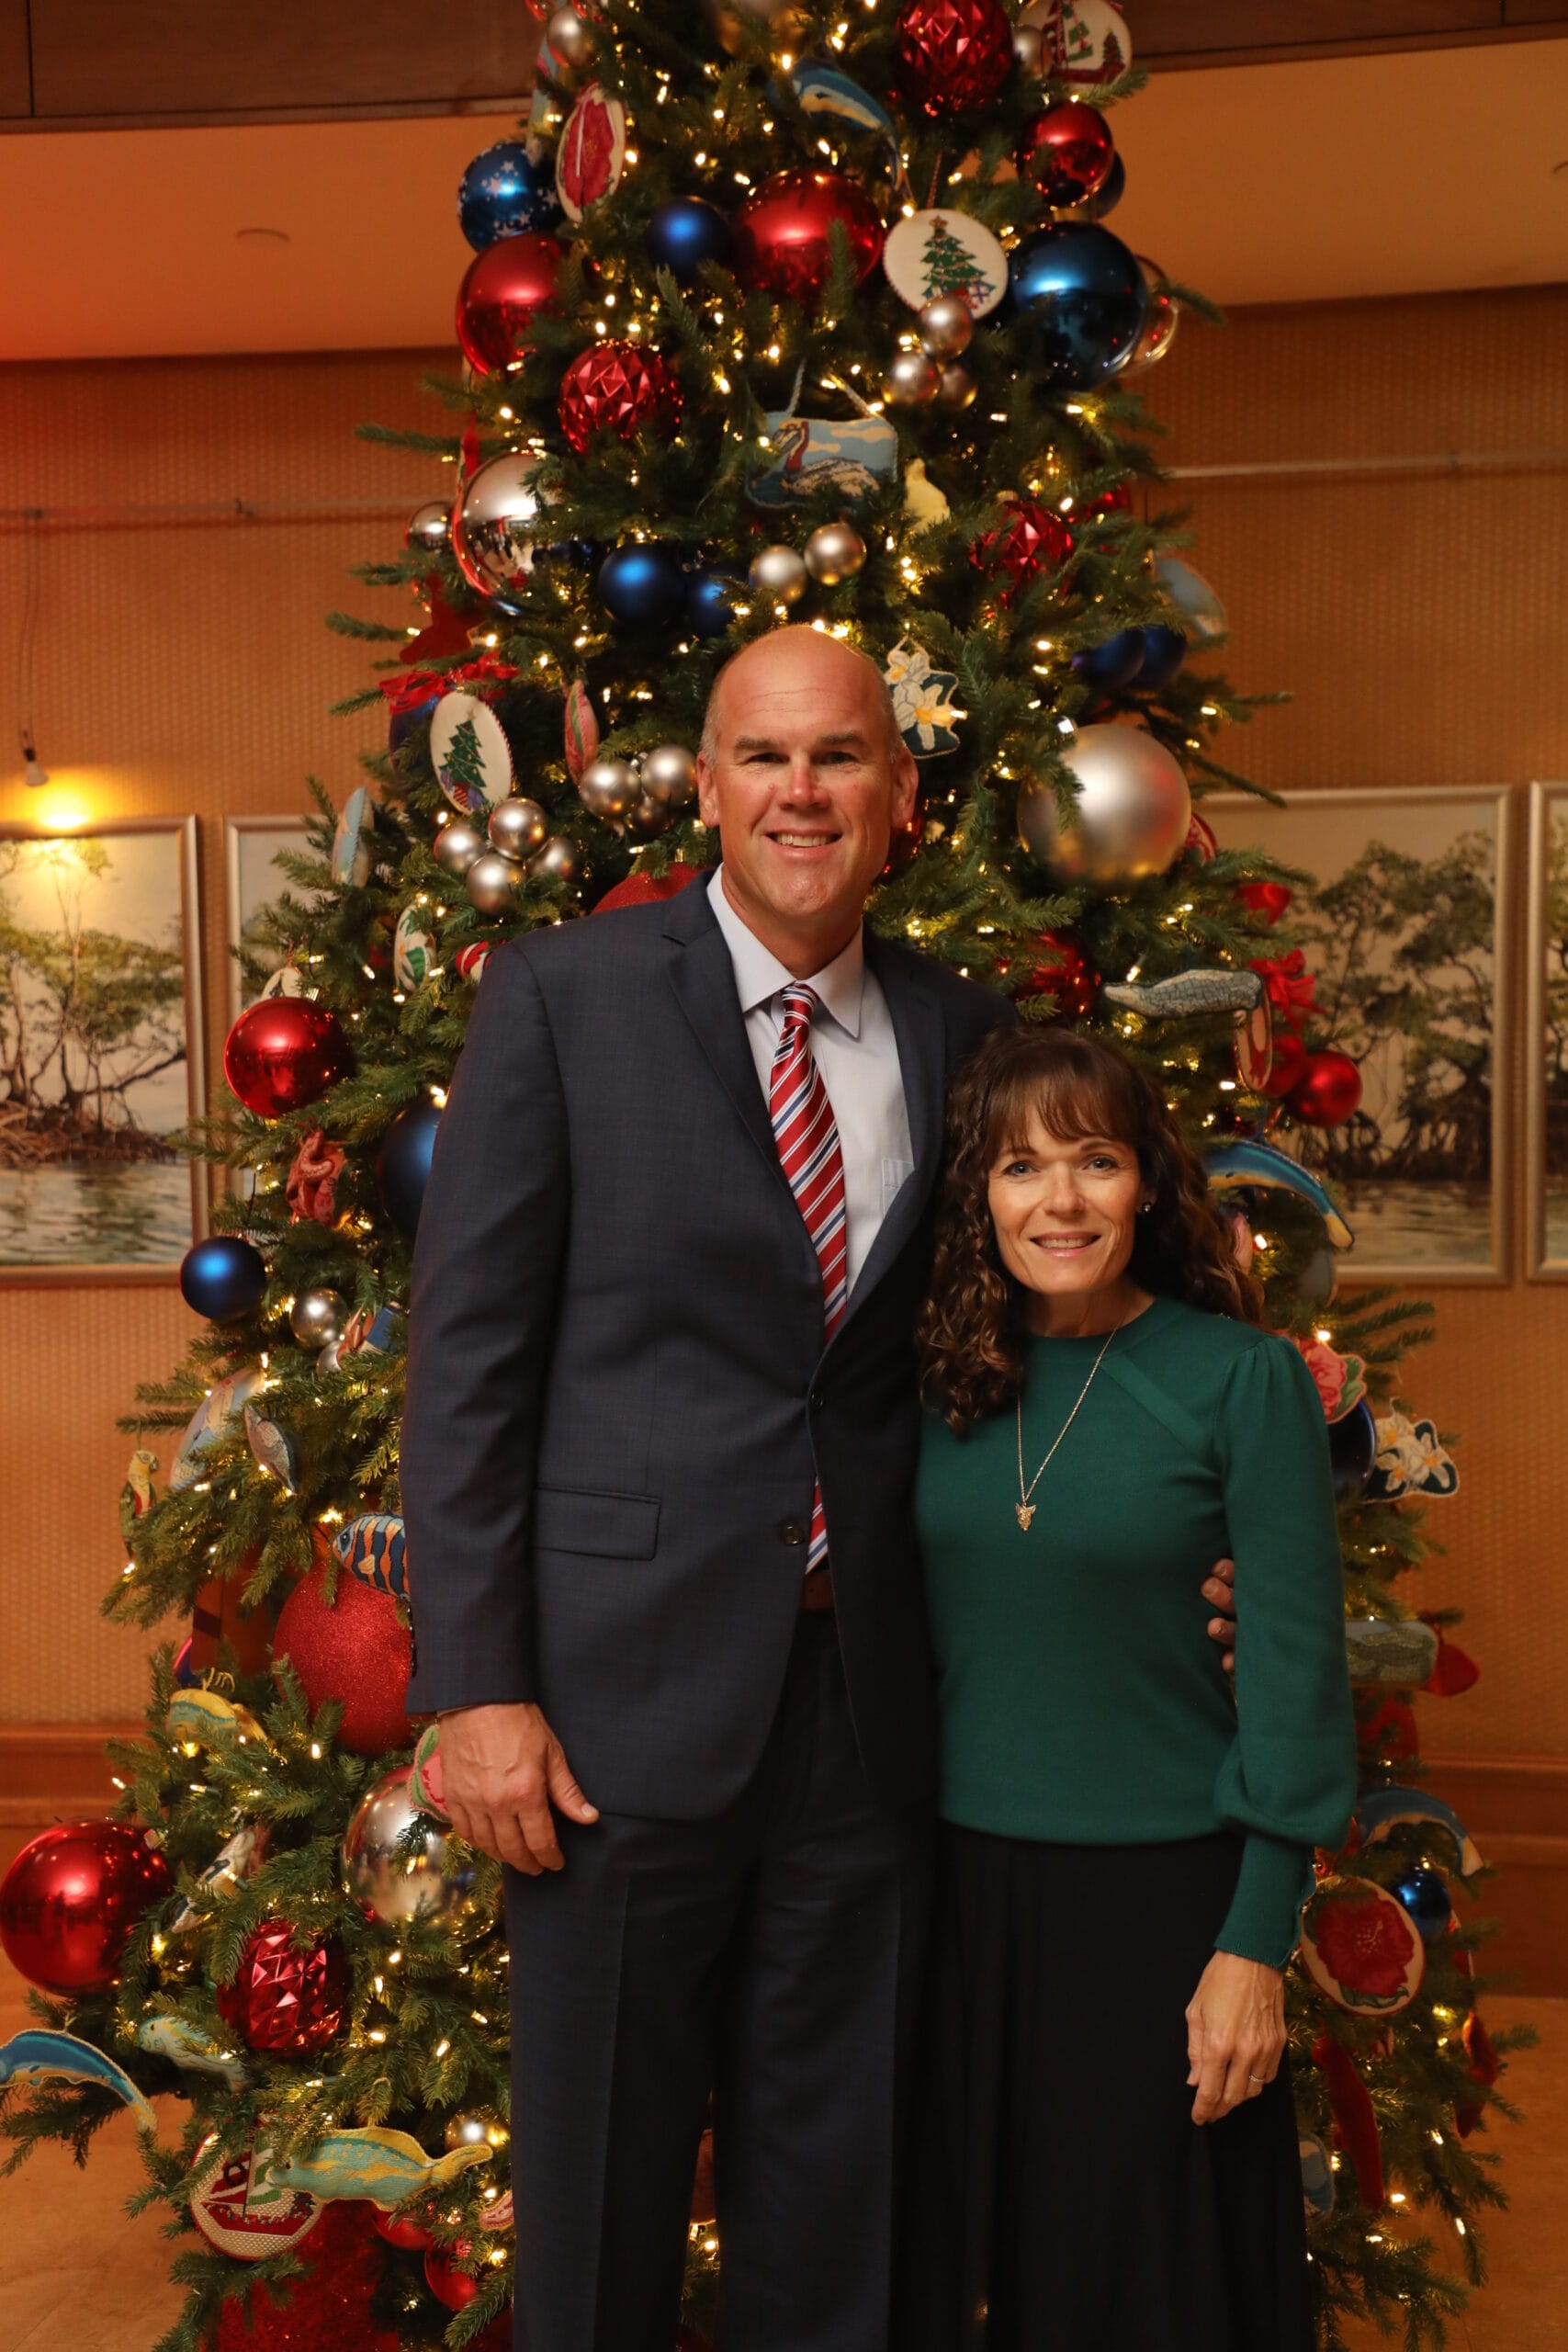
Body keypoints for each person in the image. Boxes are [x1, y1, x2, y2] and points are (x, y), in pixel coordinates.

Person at [400, 626, 1239, 2352]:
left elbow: (1037, 1345)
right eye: (765, 757)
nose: (802, 792)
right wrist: (475, 1687)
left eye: (840, 755)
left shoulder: (965, 1034)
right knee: (600, 2203)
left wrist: (1185, 1554)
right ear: (707, 787)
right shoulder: (559, 997)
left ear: (900, 792)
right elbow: (468, 1364)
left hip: (874, 1710)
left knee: (841, 2206)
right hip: (609, 1715)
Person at [901, 1023, 1357, 2352]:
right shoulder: (930, 1385)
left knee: (1154, 2298)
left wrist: (1253, 1946)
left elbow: (1295, 1679)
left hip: (1167, 1907)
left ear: (1146, 1181)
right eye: (1020, 1167)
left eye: (1094, 1161)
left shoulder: (1240, 1380)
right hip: (956, 1908)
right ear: (978, 1196)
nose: (1061, 1202)